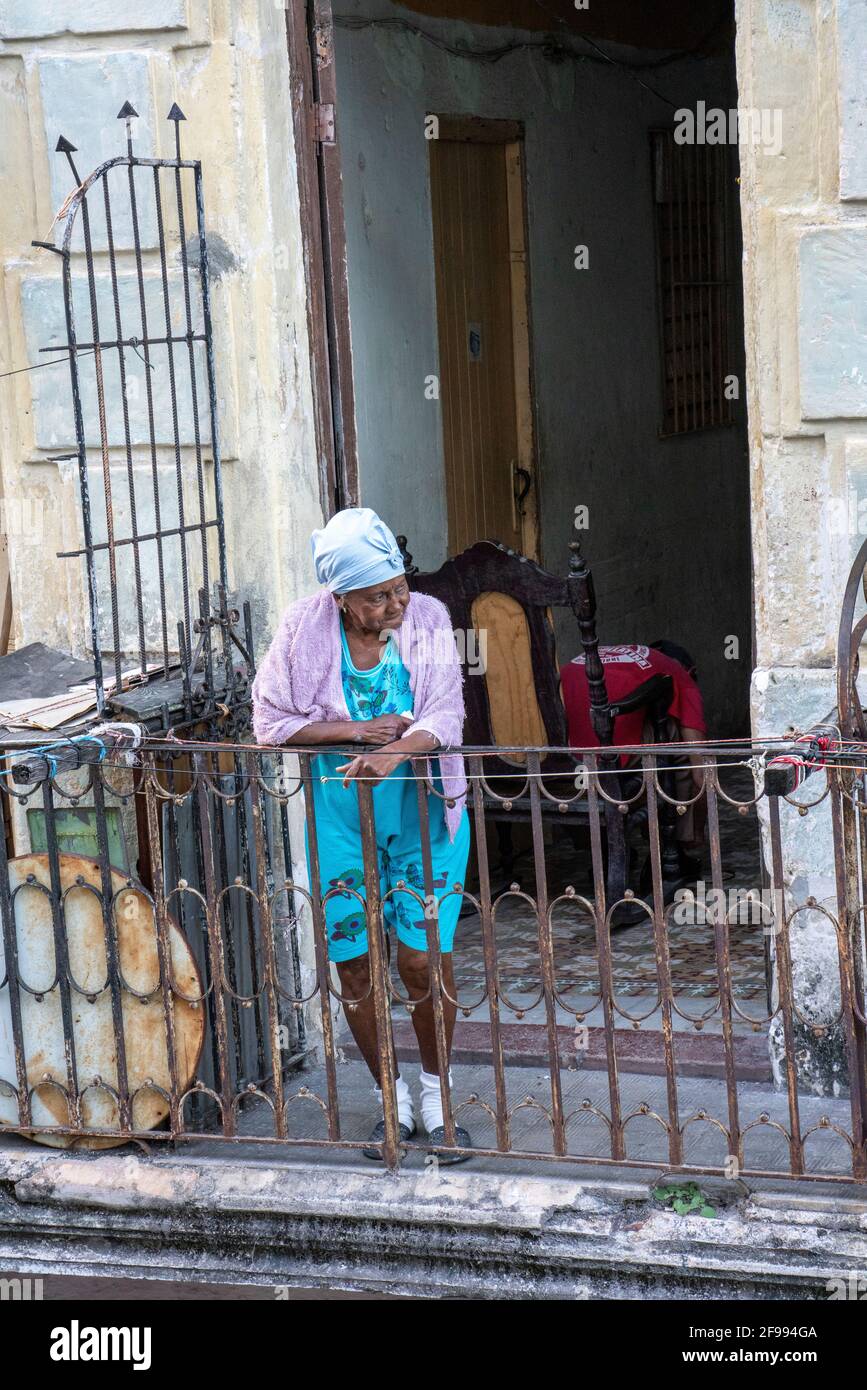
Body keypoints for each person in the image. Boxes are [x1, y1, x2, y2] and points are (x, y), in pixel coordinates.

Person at [251, 507, 472, 1161]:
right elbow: (270, 720)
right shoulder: (303, 626)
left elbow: (446, 712)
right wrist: (354, 734)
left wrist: (394, 752)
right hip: (339, 812)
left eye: (399, 587)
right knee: (352, 957)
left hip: (426, 808)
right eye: (378, 596)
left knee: (420, 957)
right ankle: (390, 1101)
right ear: (341, 598)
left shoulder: (428, 619)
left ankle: (437, 1097)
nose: (396, 604)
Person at [559, 640, 707, 865]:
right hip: (611, 759)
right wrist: (697, 830)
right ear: (692, 671)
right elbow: (702, 772)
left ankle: (602, 849)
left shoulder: (594, 658)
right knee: (677, 738)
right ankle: (672, 850)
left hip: (560, 764)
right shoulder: (681, 675)